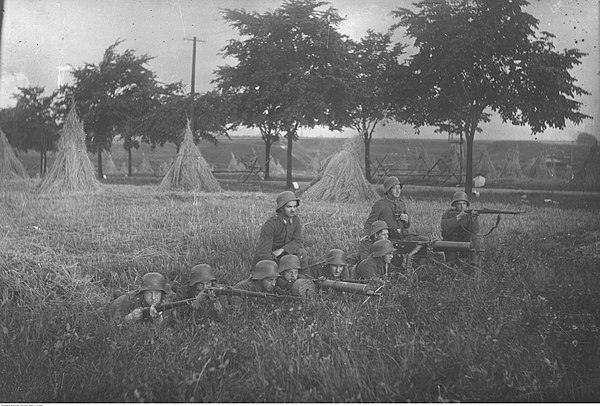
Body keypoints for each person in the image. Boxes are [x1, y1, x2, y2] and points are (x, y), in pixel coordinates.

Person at [363, 176, 428, 260]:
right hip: (390, 237)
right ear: (388, 190)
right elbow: (369, 222)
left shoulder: (401, 204)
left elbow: (406, 226)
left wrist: (407, 220)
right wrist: (366, 235)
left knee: (425, 241)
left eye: (399, 188)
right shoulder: (380, 205)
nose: (398, 191)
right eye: (395, 188)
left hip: (404, 235)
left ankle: (418, 262)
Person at [251, 191, 308, 271]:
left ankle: (302, 277)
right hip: (271, 256)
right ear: (281, 208)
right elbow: (264, 251)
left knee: (302, 252)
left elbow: (298, 241)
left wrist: (282, 250)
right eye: (289, 207)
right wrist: (273, 267)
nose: (293, 210)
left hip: (284, 253)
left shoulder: (295, 221)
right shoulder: (271, 224)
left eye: (294, 207)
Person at [440, 191, 481, 266]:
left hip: (465, 242)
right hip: (450, 243)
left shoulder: (470, 215)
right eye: (459, 204)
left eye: (464, 204)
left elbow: (475, 231)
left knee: (475, 238)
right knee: (451, 263)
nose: (462, 206)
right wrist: (458, 217)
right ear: (455, 205)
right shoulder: (448, 214)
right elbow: (444, 227)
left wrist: (474, 219)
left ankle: (473, 262)